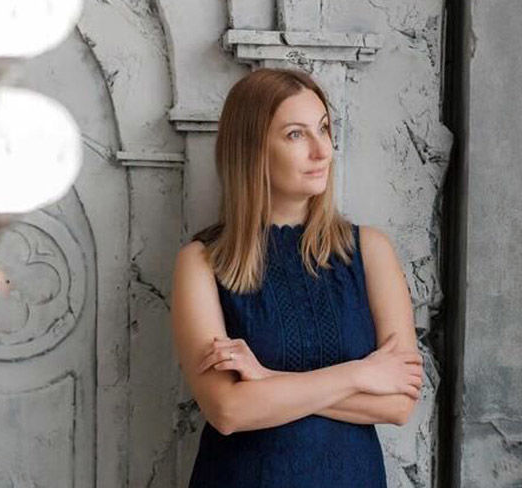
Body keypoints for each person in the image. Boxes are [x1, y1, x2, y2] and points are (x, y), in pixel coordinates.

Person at [170, 67, 424, 487]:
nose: (322, 151)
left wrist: (268, 381)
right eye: (295, 135)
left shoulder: (370, 250)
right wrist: (359, 374)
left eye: (323, 129)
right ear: (252, 150)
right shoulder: (202, 262)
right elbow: (228, 411)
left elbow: (398, 403)